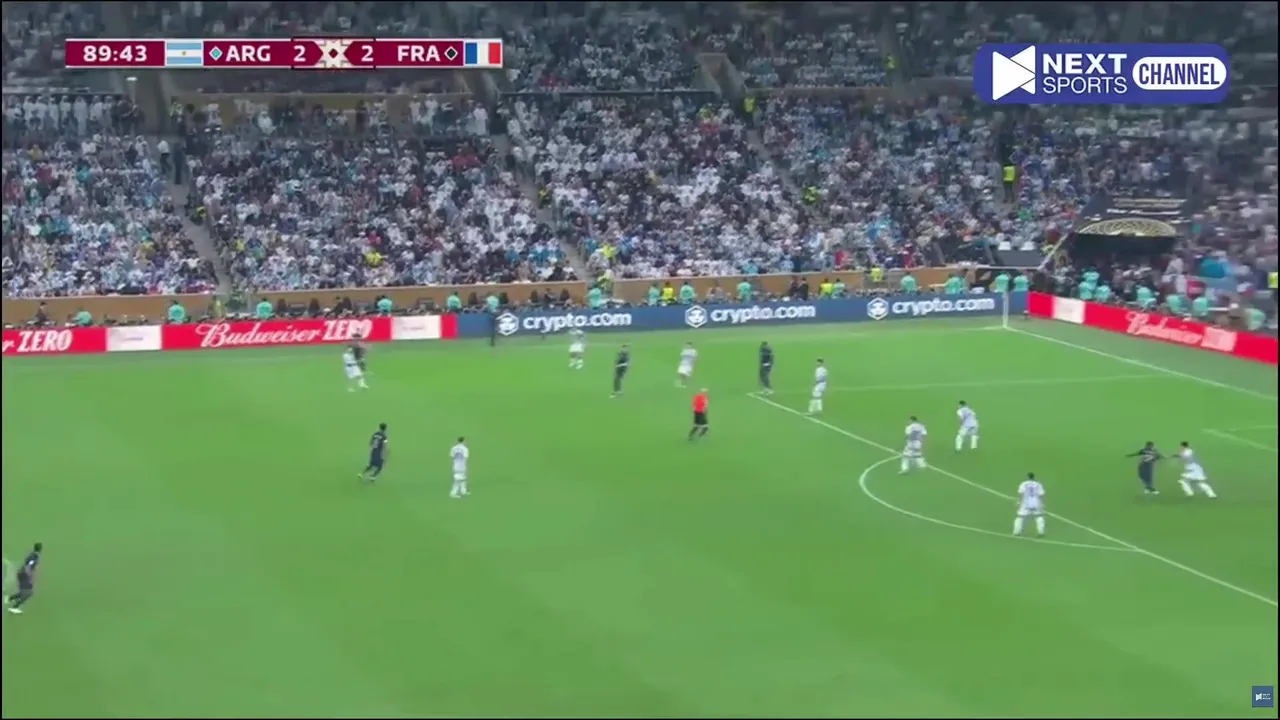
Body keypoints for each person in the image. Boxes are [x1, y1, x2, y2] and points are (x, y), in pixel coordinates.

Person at [5, 542, 42, 614]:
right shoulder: (35, 557)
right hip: (24, 574)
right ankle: (14, 607)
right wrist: (29, 576)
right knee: (29, 593)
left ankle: (9, 598)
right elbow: (28, 566)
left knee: (24, 591)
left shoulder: (32, 554)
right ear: (40, 549)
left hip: (22, 573)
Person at [1014, 473, 1046, 537]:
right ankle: (1041, 532)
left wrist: (1019, 502)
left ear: (1027, 477)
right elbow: (1041, 494)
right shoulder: (1038, 484)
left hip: (1025, 503)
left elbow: (1021, 493)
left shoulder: (1023, 484)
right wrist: (1042, 503)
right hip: (1036, 503)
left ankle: (1017, 532)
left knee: (1020, 517)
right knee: (1038, 516)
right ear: (1033, 477)